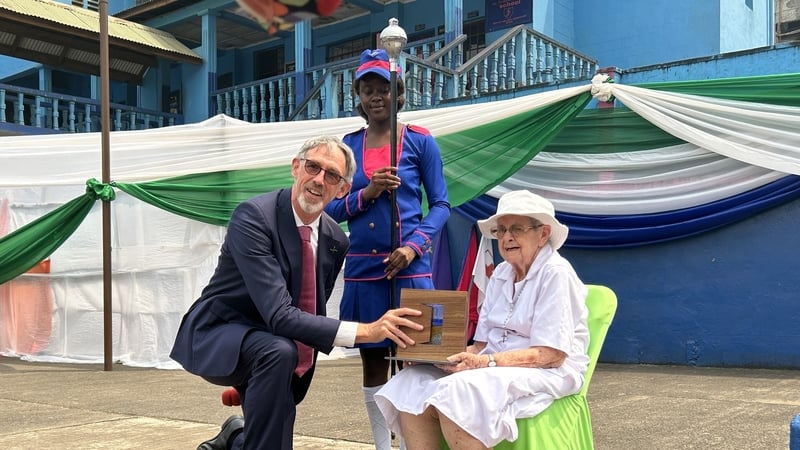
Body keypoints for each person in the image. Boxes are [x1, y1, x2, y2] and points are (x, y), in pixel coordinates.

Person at [170, 135, 424, 450]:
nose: (319, 179)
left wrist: (266, 383)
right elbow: (281, 315)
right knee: (278, 353)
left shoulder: (336, 239)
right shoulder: (253, 217)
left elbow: (309, 310)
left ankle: (235, 437)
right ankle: (240, 433)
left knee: (276, 433)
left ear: (343, 189)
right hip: (219, 334)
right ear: (295, 167)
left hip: (276, 348)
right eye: (313, 167)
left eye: (332, 175)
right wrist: (369, 331)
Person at [374, 190, 590, 450]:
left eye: (517, 229)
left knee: (457, 391)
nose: (507, 237)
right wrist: (430, 354)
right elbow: (480, 346)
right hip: (496, 363)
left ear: (543, 234)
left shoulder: (555, 274)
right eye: (502, 230)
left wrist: (484, 362)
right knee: (411, 379)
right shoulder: (501, 273)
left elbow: (551, 354)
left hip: (548, 370)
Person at [324, 48, 451, 449]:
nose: (376, 96)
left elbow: (442, 205)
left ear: (398, 93)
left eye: (384, 87)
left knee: (422, 360)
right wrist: (368, 192)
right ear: (358, 97)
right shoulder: (345, 148)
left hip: (412, 269)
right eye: (367, 89)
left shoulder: (420, 141)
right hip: (364, 272)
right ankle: (383, 446)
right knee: (374, 360)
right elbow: (329, 208)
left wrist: (414, 247)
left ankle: (421, 443)